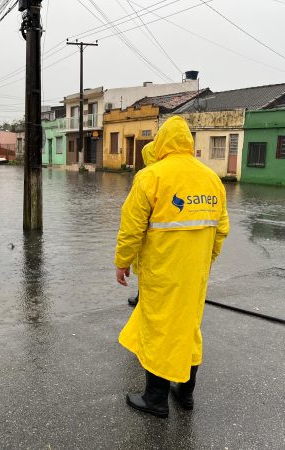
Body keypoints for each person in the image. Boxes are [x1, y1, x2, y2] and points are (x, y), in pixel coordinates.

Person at [114, 116, 229, 418]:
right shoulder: (212, 179)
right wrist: (206, 260)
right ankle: (186, 395)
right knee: (189, 328)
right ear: (188, 143)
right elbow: (221, 230)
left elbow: (132, 228)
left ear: (163, 141)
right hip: (196, 273)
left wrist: (122, 262)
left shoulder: (151, 177)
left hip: (161, 272)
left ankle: (155, 400)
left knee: (159, 330)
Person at [125, 141, 158, 308]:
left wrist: (123, 260)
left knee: (144, 267)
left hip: (149, 237)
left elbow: (133, 220)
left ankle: (142, 298)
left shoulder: (145, 176)